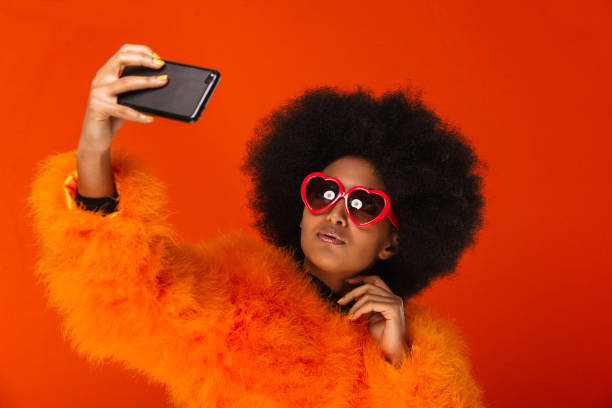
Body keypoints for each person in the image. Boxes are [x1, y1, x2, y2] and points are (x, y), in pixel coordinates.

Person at [28, 43, 487, 407]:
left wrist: (397, 358)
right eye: (324, 192)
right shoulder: (239, 294)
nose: (336, 212)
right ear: (303, 206)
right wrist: (93, 150)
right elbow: (126, 292)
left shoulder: (418, 349)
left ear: (392, 242)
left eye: (365, 205)